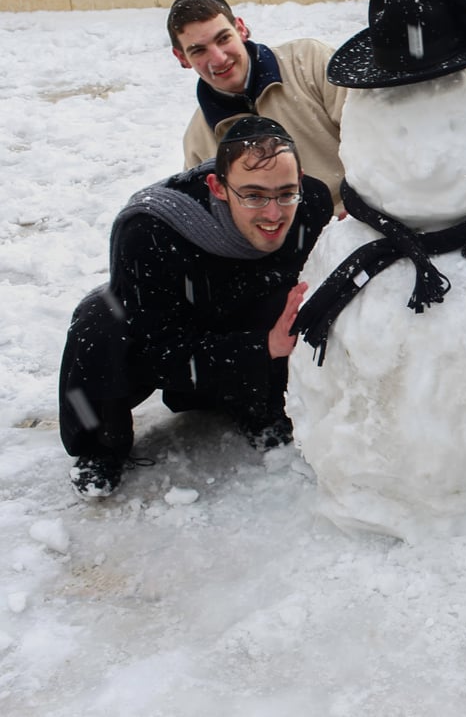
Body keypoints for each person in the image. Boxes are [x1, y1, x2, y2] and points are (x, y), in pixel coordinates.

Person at [59, 116, 333, 498]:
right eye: (253, 196)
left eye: (286, 193)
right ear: (217, 186)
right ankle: (99, 445)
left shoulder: (312, 202)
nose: (274, 214)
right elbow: (159, 353)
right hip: (173, 332)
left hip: (243, 322)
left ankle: (255, 406)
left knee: (292, 296)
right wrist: (262, 347)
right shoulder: (148, 231)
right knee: (100, 321)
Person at [167, 0, 347, 210]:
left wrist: (357, 208)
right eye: (198, 51)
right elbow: (212, 218)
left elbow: (375, 137)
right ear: (182, 58)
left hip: (362, 217)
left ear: (241, 29)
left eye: (223, 39)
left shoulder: (311, 62)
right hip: (283, 240)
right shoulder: (198, 141)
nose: (219, 59)